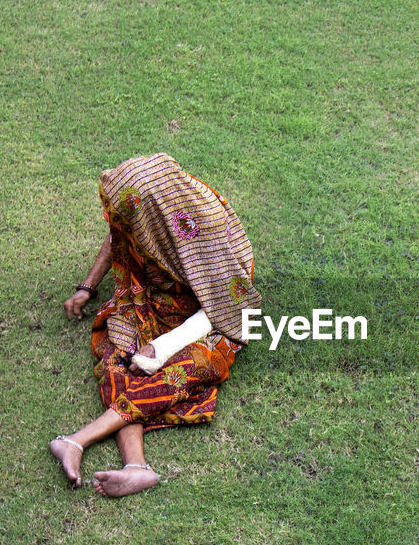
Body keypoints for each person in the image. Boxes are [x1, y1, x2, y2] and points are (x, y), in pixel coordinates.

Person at [51, 154, 261, 497]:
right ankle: (136, 466)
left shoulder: (200, 226)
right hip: (150, 298)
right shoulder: (151, 210)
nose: (117, 222)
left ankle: (77, 440)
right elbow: (119, 234)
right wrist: (87, 286)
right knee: (116, 357)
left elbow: (230, 303)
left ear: (151, 216)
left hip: (210, 314)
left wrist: (161, 348)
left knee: (188, 368)